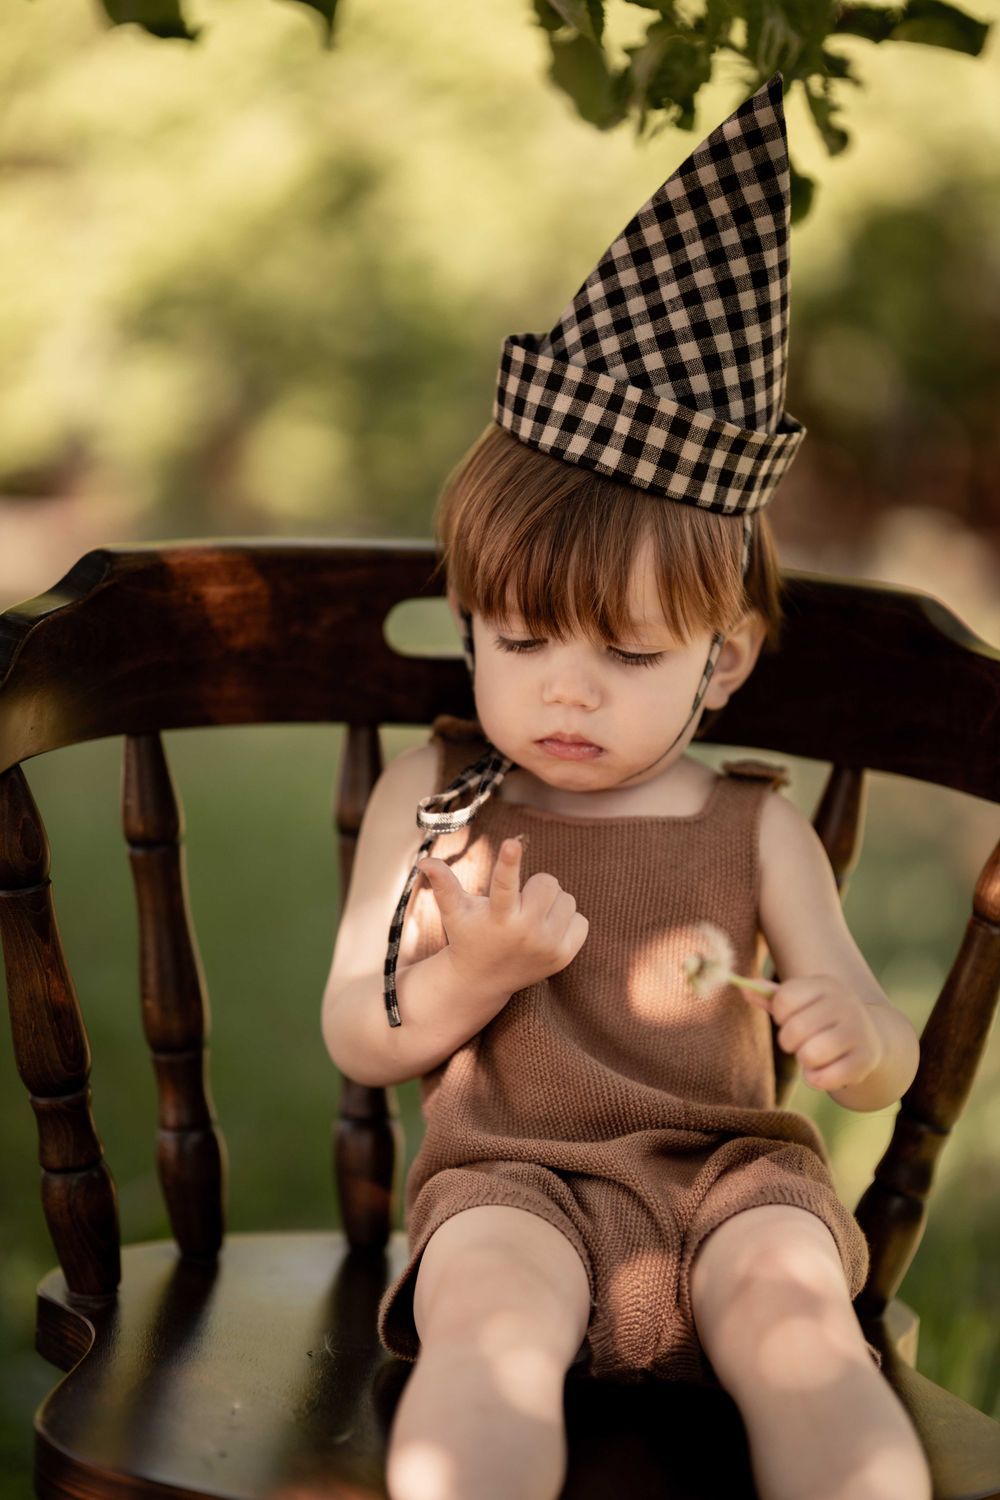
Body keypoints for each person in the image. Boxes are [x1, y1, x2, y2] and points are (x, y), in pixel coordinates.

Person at [321, 74, 932, 1500]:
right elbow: (362, 1028)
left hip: (736, 1190)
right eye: (520, 639)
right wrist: (468, 974)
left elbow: (876, 1042)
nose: (566, 689)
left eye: (630, 651)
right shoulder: (448, 793)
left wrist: (861, 1042)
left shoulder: (754, 826)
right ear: (471, 622)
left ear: (724, 661)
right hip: (511, 1185)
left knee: (801, 1321)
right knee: (483, 1321)